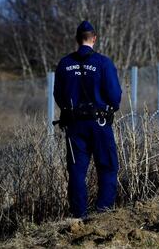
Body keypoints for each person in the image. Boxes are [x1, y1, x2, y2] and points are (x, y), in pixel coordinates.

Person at [54, 21, 122, 218]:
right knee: (108, 166)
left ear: (77, 39)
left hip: (74, 125)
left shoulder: (65, 64)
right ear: (94, 38)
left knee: (76, 170)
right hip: (99, 123)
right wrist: (109, 108)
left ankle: (79, 214)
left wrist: (70, 110)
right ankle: (103, 211)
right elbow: (114, 95)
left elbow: (58, 94)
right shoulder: (103, 63)